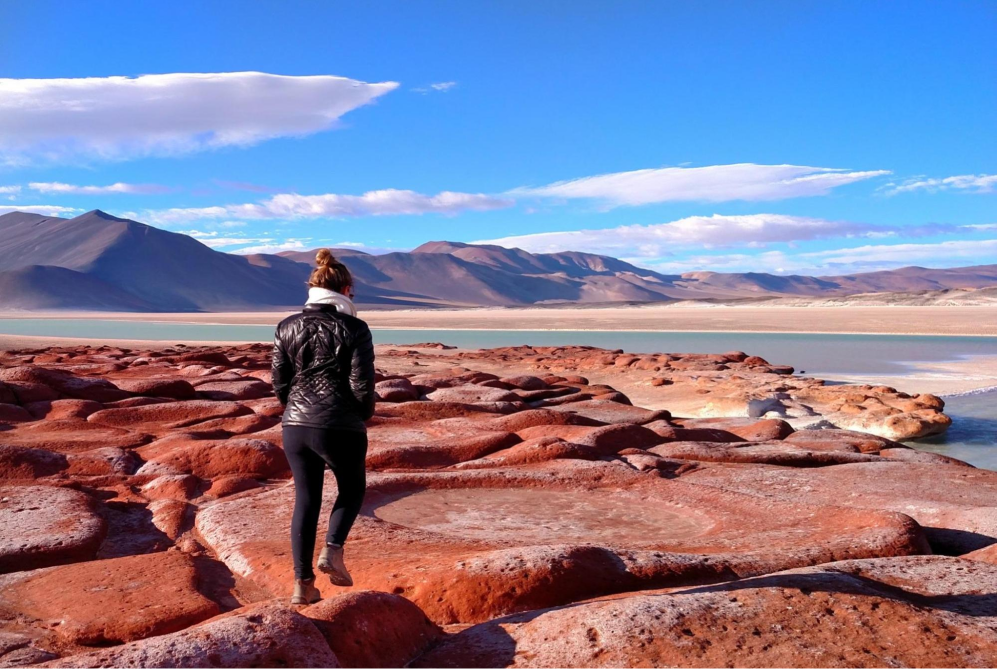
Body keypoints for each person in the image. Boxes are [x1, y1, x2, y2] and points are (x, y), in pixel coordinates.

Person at [271, 249, 376, 605]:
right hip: (340, 425)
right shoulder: (355, 328)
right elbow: (362, 383)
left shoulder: (286, 326)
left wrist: (294, 412)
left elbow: (279, 380)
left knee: (306, 500)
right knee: (351, 489)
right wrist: (360, 416)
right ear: (346, 289)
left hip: (295, 426)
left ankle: (303, 585)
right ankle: (333, 551)